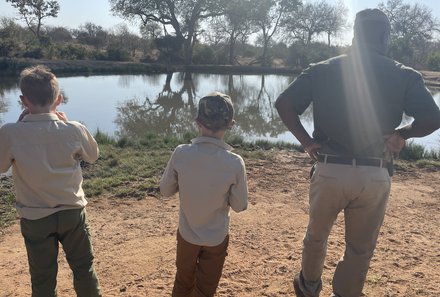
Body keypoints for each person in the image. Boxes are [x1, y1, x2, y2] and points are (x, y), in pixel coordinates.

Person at [275, 8, 440, 297]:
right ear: (386, 37)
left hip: (329, 169)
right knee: (360, 248)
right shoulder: (404, 74)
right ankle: (346, 293)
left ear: (354, 35)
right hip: (374, 173)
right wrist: (403, 134)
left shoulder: (322, 68)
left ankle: (309, 287)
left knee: (316, 237)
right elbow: (433, 117)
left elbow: (284, 103)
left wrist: (306, 141)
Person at [0, 65, 102, 297]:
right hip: (72, 213)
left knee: (42, 277)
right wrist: (67, 123)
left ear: (23, 101)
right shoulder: (74, 129)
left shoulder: (9, 133)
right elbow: (93, 155)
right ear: (58, 99)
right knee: (84, 269)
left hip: (35, 217)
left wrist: (16, 127)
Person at [160, 92, 248, 297]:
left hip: (187, 235)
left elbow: (165, 191)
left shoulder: (181, 153)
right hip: (216, 237)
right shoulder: (235, 163)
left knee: (183, 281)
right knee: (206, 289)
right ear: (230, 125)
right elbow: (239, 205)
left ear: (197, 122)